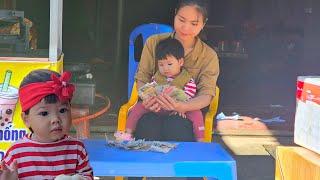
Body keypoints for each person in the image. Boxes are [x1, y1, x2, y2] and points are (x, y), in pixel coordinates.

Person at [134, 0, 219, 142]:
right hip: (154, 107)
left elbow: (207, 94)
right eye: (181, 20)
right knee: (148, 125)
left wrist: (183, 106)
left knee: (175, 126)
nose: (185, 28)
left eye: (194, 23)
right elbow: (142, 77)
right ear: (175, 15)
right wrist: (147, 98)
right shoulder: (153, 43)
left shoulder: (209, 56)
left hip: (186, 113)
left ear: (203, 24)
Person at [0, 69, 93, 180]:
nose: (55, 119)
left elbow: (87, 175)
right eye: (44, 113)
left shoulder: (77, 149)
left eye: (62, 110)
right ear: (26, 119)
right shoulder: (16, 153)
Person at [117, 38, 204, 141]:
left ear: (180, 62)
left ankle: (201, 140)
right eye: (161, 64)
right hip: (158, 107)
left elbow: (190, 92)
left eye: (169, 64)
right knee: (137, 108)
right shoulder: (157, 76)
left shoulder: (186, 78)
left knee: (197, 113)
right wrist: (149, 97)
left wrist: (181, 105)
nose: (165, 68)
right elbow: (150, 88)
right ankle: (127, 133)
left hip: (178, 109)